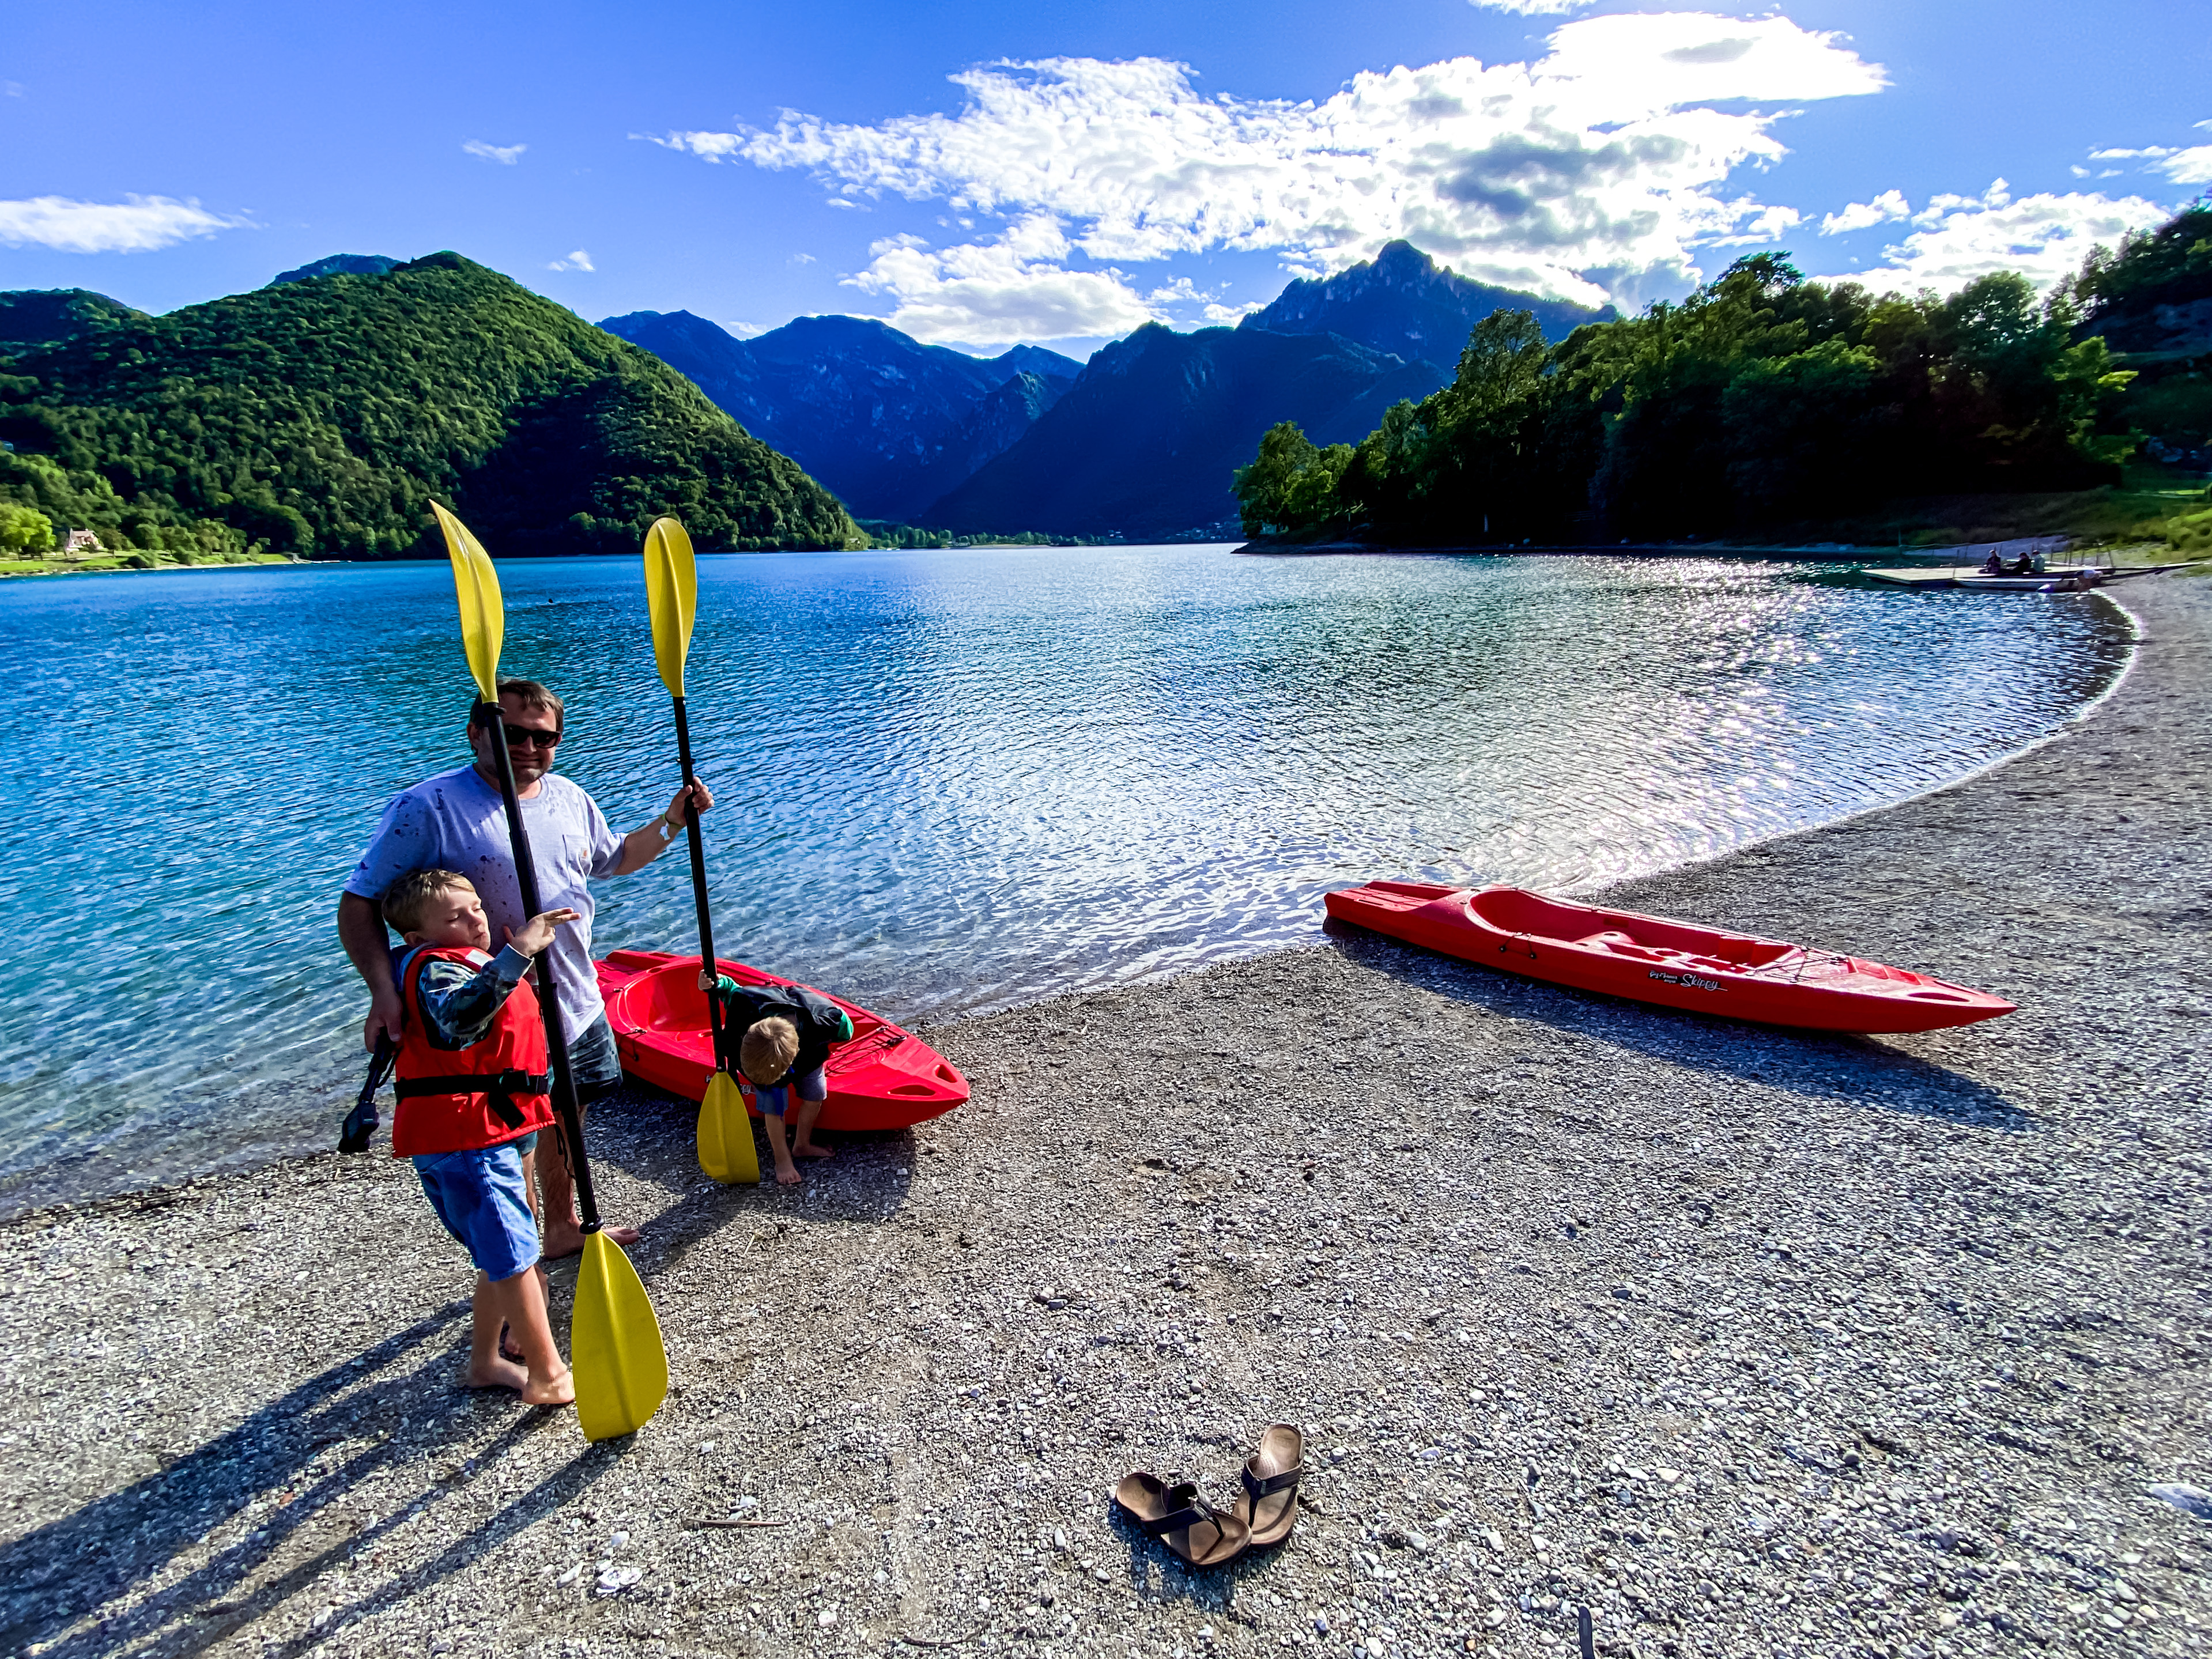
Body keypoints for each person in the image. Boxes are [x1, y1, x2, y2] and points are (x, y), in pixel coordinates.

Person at [338, 678, 712, 1256]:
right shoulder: (428, 807)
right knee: (511, 1141)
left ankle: (562, 1227)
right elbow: (360, 901)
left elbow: (616, 859)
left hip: (576, 1001)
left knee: (567, 1116)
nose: (528, 747)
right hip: (498, 1015)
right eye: (511, 733)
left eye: (543, 737)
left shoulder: (569, 797)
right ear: (475, 732)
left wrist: (672, 821)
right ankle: (521, 1268)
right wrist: (383, 990)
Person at [383, 866, 579, 1405]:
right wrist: (519, 955)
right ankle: (549, 1374)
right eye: (456, 917)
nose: (475, 921)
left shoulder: (469, 962)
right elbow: (458, 1021)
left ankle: (485, 1362)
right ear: (417, 938)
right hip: (467, 1134)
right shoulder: (433, 971)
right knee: (514, 1253)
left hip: (499, 1123)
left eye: (476, 909)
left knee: (503, 1248)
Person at [716, 978, 855, 1186]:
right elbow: (729, 988)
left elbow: (846, 1029)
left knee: (816, 1094)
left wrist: (834, 1029)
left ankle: (802, 1145)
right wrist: (715, 982)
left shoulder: (827, 1022)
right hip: (767, 1058)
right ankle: (782, 1159)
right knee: (773, 1106)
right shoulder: (747, 1004)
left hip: (809, 1053)